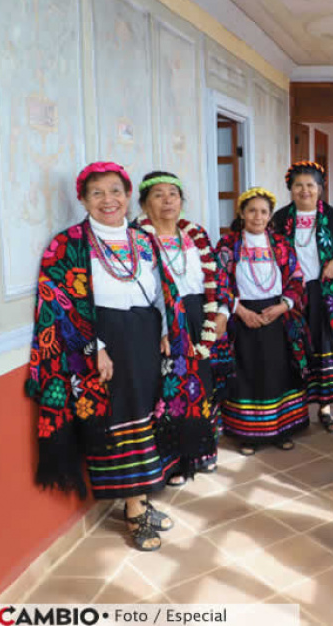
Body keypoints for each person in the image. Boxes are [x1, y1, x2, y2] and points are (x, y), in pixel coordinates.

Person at [26, 161, 212, 551]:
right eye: (96, 193)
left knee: (149, 413)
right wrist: (95, 347)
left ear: (129, 197)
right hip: (104, 343)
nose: (107, 200)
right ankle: (133, 511)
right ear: (83, 199)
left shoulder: (141, 239)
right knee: (123, 419)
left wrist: (165, 331)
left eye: (115, 191)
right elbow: (58, 302)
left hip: (146, 337)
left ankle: (141, 498)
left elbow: (163, 289)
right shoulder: (69, 244)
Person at [136, 171, 235, 485]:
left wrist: (220, 312)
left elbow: (219, 279)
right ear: (143, 203)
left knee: (201, 386)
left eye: (173, 194)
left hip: (198, 316)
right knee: (169, 392)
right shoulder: (136, 238)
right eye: (158, 195)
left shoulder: (197, 236)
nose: (167, 201)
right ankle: (174, 461)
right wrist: (164, 326)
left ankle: (202, 451)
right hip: (161, 322)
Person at [216, 187, 309, 455]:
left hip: (276, 315)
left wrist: (283, 307)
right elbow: (219, 281)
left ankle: (282, 430)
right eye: (252, 210)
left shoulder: (281, 244)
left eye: (264, 211)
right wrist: (240, 311)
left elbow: (296, 279)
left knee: (277, 372)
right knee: (247, 372)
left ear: (270, 216)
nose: (258, 216)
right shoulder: (228, 245)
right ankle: (249, 434)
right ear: (242, 213)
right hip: (243, 315)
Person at [271, 161, 333, 433]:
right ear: (290, 189)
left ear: (320, 189)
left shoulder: (332, 217)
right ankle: (295, 408)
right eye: (298, 185)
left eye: (310, 185)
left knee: (324, 345)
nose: (305, 190)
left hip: (324, 292)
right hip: (291, 293)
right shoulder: (280, 219)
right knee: (292, 345)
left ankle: (325, 407)